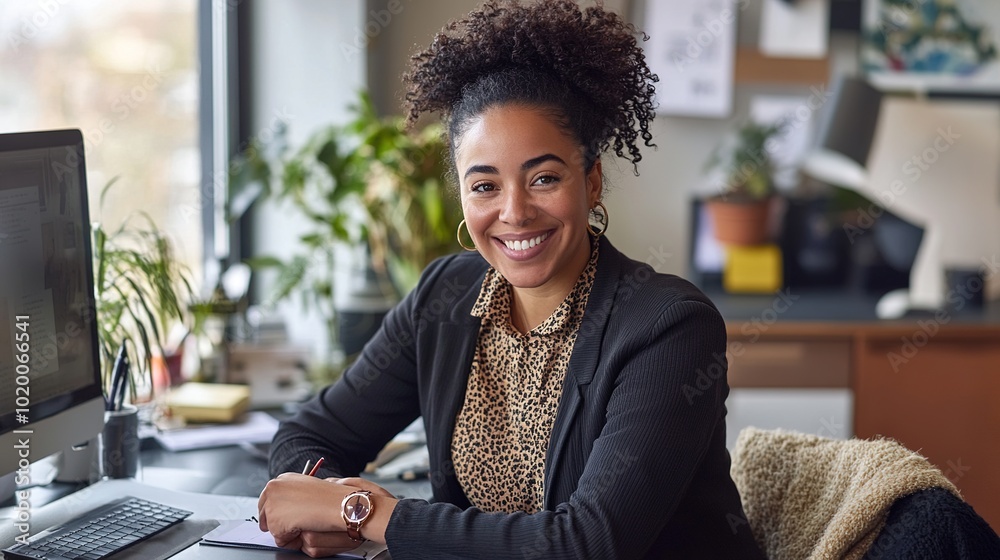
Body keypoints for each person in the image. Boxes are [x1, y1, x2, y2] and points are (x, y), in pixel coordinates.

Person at [258, 1, 766, 558]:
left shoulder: (669, 328)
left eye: (543, 178)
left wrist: (362, 513)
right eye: (484, 186)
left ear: (591, 181)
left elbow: (588, 544)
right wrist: (323, 500)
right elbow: (308, 434)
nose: (515, 212)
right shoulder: (446, 296)